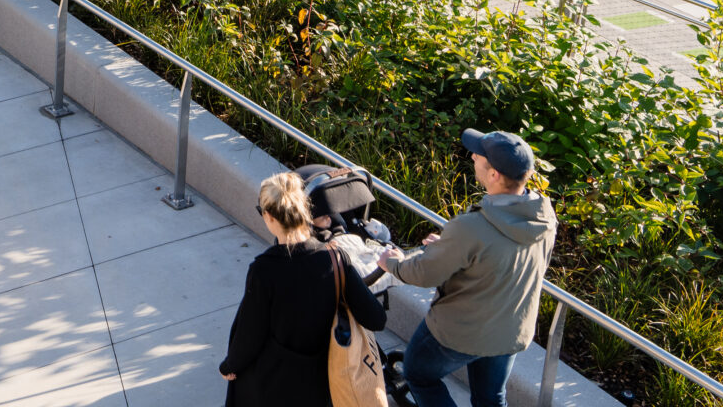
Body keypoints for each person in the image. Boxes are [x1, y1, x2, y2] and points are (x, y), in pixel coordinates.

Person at [380, 130, 556, 407]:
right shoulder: (543, 217)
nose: (473, 156)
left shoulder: (470, 227)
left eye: (479, 155)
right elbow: (502, 258)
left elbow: (424, 274)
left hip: (461, 332)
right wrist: (451, 248)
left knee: (418, 374)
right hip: (510, 330)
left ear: (494, 174)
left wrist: (390, 262)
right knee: (491, 398)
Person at [218, 172, 386, 405]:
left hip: (274, 386)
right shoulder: (336, 258)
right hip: (323, 383)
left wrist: (229, 366)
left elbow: (250, 333)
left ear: (269, 216)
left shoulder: (264, 270)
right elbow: (376, 319)